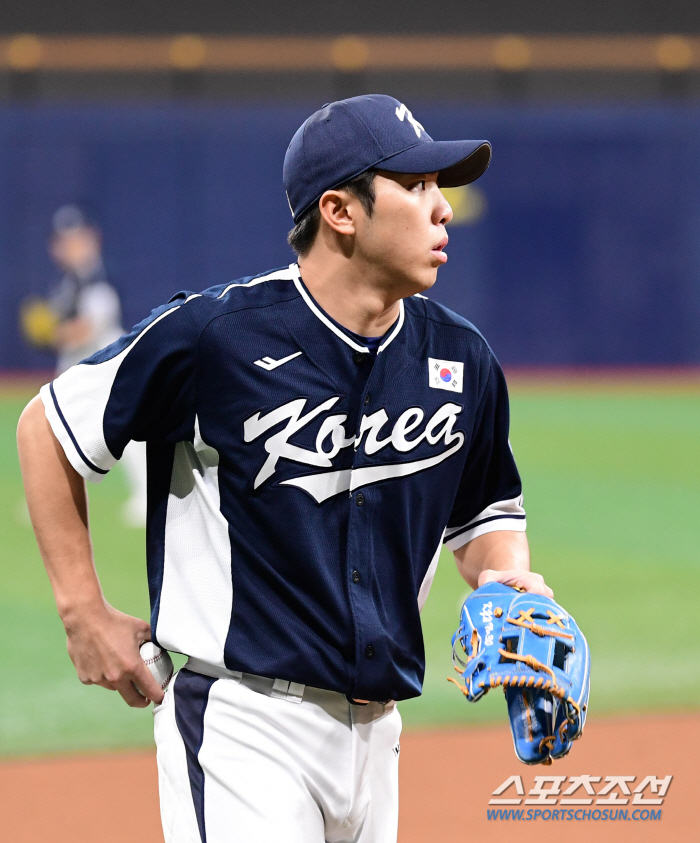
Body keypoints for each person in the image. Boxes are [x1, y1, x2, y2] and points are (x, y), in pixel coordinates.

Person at [17, 95, 553, 843]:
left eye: (441, 187)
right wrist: (82, 612)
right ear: (340, 210)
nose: (444, 210)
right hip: (245, 726)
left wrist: (504, 577)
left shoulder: (461, 358)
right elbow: (48, 423)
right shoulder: (217, 338)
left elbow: (487, 519)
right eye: (417, 185)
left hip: (379, 737)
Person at [31, 205, 148, 525]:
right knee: (52, 428)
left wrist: (49, 332)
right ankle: (49, 500)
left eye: (76, 238)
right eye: (65, 240)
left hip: (106, 359)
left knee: (129, 430)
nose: (71, 246)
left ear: (92, 239)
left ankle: (148, 496)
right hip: (79, 362)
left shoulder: (97, 275)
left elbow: (87, 328)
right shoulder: (70, 280)